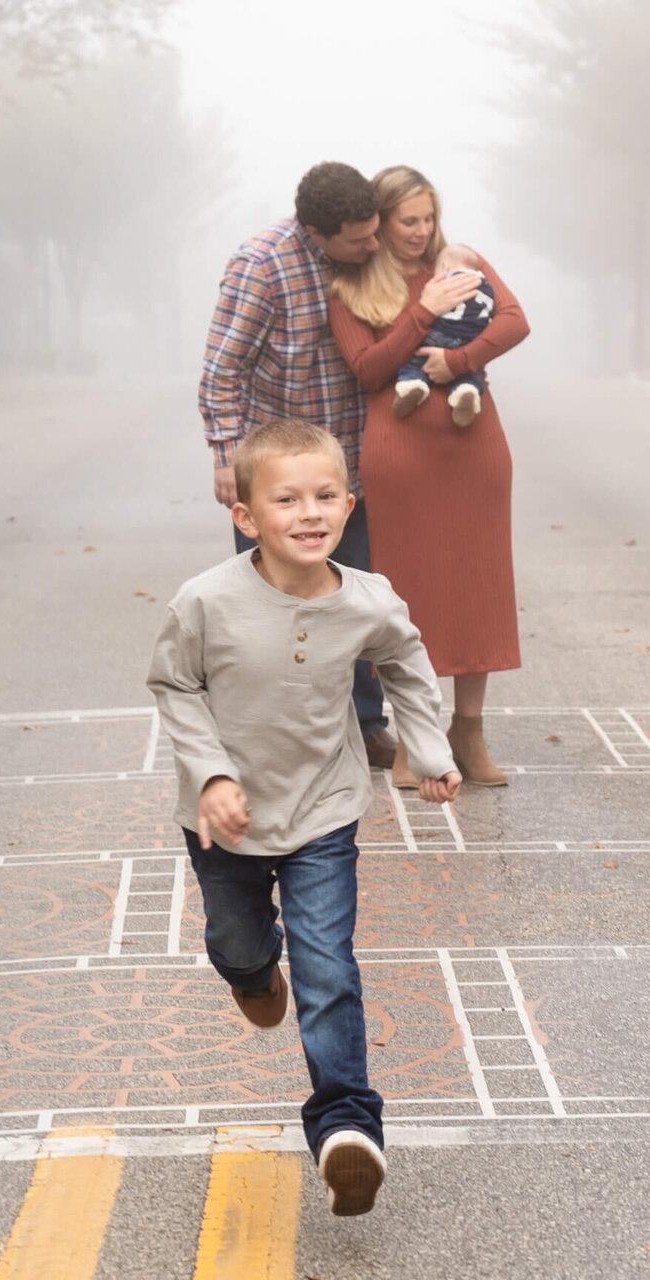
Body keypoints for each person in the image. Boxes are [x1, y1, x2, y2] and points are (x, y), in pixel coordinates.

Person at [147, 419, 462, 1216]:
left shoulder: (369, 600)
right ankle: (252, 973)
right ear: (247, 516)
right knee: (238, 943)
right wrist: (212, 775)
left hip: (324, 811)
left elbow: (408, 664)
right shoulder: (206, 601)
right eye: (286, 499)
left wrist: (426, 750)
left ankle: (346, 1126)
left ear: (349, 506)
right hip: (228, 820)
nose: (309, 512)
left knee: (329, 967)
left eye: (325, 496)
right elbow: (174, 686)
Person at [329, 166, 530, 790]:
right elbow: (367, 368)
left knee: (479, 586)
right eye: (407, 221)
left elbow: (515, 321)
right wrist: (423, 312)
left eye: (427, 219)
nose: (420, 232)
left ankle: (468, 733)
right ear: (381, 224)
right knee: (408, 595)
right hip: (401, 451)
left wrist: (458, 361)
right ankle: (415, 736)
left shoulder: (459, 260)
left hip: (474, 446)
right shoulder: (351, 286)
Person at [198, 161, 398, 771]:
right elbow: (221, 369)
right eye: (359, 237)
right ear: (317, 231)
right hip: (276, 472)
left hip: (349, 469)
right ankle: (265, 732)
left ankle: (364, 723)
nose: (372, 245)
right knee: (272, 600)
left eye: (374, 232)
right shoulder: (262, 265)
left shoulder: (364, 261)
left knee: (352, 597)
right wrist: (227, 456)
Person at [392, 242, 495, 428]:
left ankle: (413, 385)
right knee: (472, 373)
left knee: (415, 358)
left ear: (445, 266)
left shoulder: (444, 279)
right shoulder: (487, 286)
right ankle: (467, 391)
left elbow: (429, 302)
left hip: (440, 335)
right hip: (470, 341)